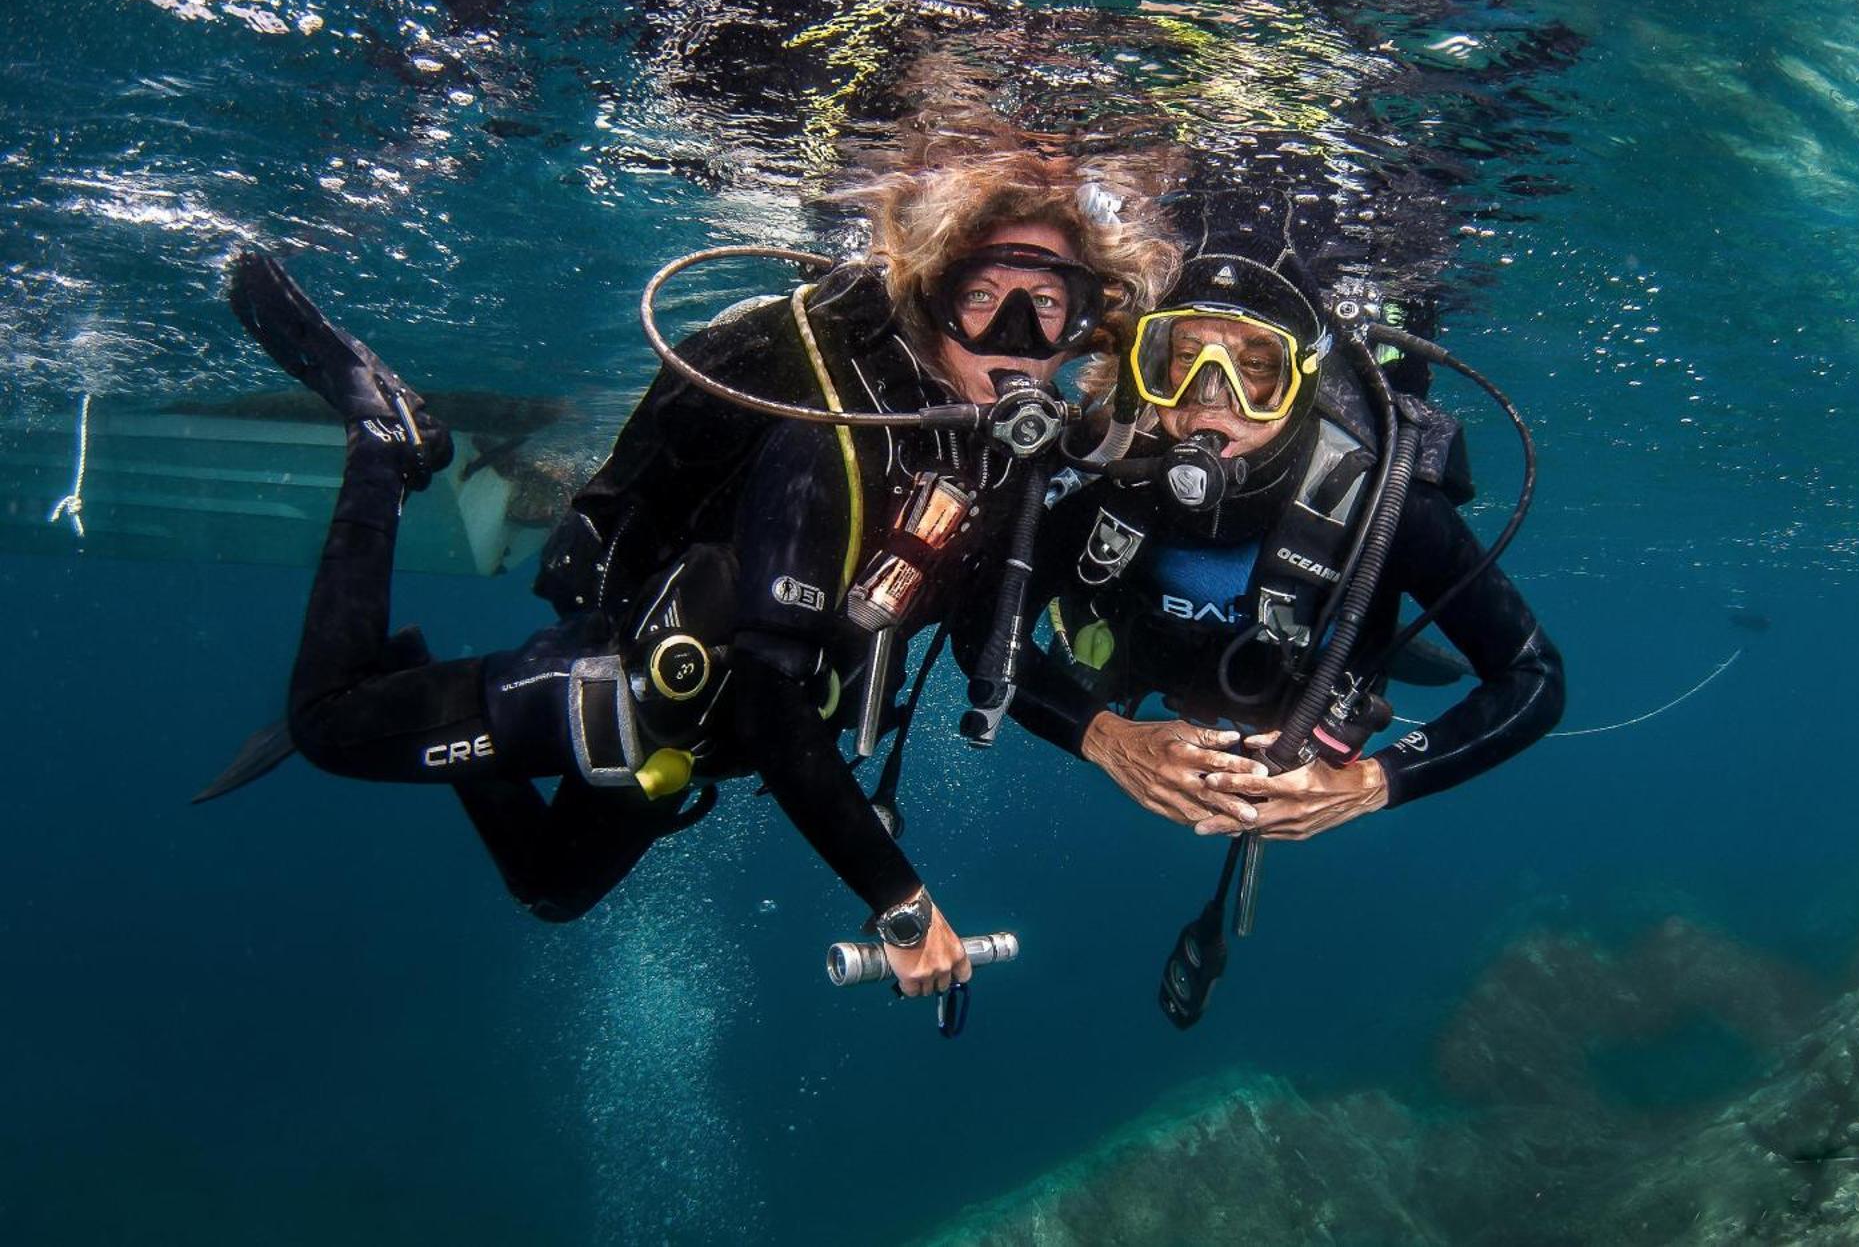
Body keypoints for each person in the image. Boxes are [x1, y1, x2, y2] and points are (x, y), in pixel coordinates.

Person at [237, 139, 1178, 998]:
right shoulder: (834, 430)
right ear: (930, 294)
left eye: (1047, 305)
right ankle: (384, 439)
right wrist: (899, 899)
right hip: (629, 682)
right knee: (329, 724)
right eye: (983, 297)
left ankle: (415, 669)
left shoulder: (1004, 454)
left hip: (686, 733)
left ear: (1083, 324)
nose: (1014, 333)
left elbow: (979, 628)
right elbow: (771, 699)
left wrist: (1110, 735)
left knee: (552, 887)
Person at [1005, 228, 1564, 1011]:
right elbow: (978, 637)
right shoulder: (1105, 482)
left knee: (1394, 647)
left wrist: (1370, 783)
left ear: (1300, 383)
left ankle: (1396, 649)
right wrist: (1104, 737)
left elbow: (1534, 675)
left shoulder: (1382, 503)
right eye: (1183, 361)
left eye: (1254, 369)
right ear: (1146, 368)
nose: (1212, 400)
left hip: (1320, 659)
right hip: (1166, 667)